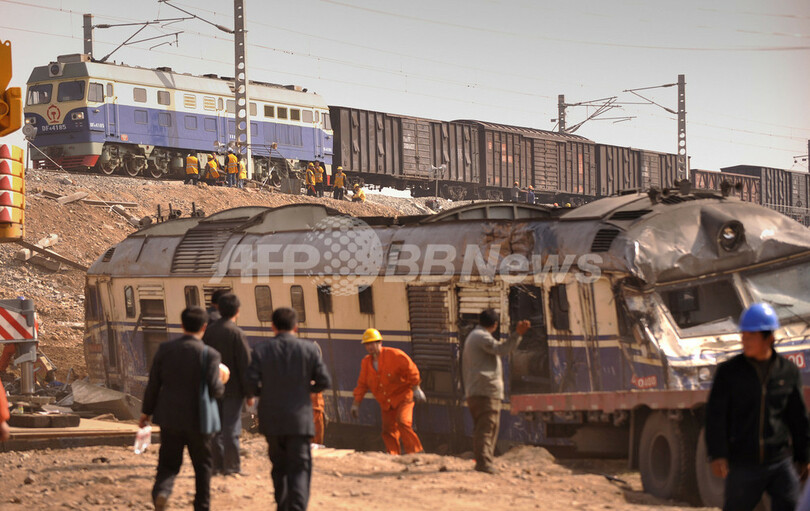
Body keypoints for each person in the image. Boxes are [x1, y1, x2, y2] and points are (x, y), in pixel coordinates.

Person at [706, 303, 810, 511]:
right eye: (743, 335)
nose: (744, 340)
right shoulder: (729, 372)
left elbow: (797, 417)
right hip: (743, 464)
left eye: (751, 336)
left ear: (769, 338)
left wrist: (804, 456)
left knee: (791, 505)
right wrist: (717, 454)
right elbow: (715, 416)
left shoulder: (787, 371)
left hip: (779, 461)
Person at [140, 307, 225, 511]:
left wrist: (146, 413)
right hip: (200, 420)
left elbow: (154, 385)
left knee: (168, 463)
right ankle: (202, 506)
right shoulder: (210, 354)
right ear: (204, 327)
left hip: (170, 418)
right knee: (202, 465)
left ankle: (162, 492)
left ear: (182, 325)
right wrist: (223, 380)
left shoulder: (165, 350)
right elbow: (215, 390)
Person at [248, 307, 331, 511]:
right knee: (300, 468)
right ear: (296, 327)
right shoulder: (309, 349)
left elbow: (249, 384)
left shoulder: (261, 350)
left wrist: (265, 392)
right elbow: (324, 381)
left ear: (273, 327)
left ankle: (282, 506)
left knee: (279, 467)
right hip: (299, 420)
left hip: (272, 421)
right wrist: (306, 389)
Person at [462, 309, 530, 474]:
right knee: (487, 428)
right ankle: (484, 464)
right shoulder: (481, 337)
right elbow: (502, 349)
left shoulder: (474, 336)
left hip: (478, 390)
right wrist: (518, 334)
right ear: (495, 324)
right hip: (485, 391)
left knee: (484, 428)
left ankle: (484, 461)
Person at [202, 293, 254, 476]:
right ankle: (232, 466)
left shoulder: (209, 331)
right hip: (234, 390)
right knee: (231, 427)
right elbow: (245, 364)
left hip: (213, 388)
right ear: (237, 311)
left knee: (215, 428)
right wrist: (250, 393)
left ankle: (217, 466)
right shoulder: (236, 333)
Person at [351, 328, 425, 455]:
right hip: (386, 402)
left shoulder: (395, 355)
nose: (370, 347)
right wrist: (356, 404)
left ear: (380, 342)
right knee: (388, 430)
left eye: (372, 343)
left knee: (403, 422)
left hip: (403, 397)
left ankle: (417, 453)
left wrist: (416, 388)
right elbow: (362, 385)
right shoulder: (366, 363)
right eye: (367, 344)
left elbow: (411, 369)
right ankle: (393, 455)